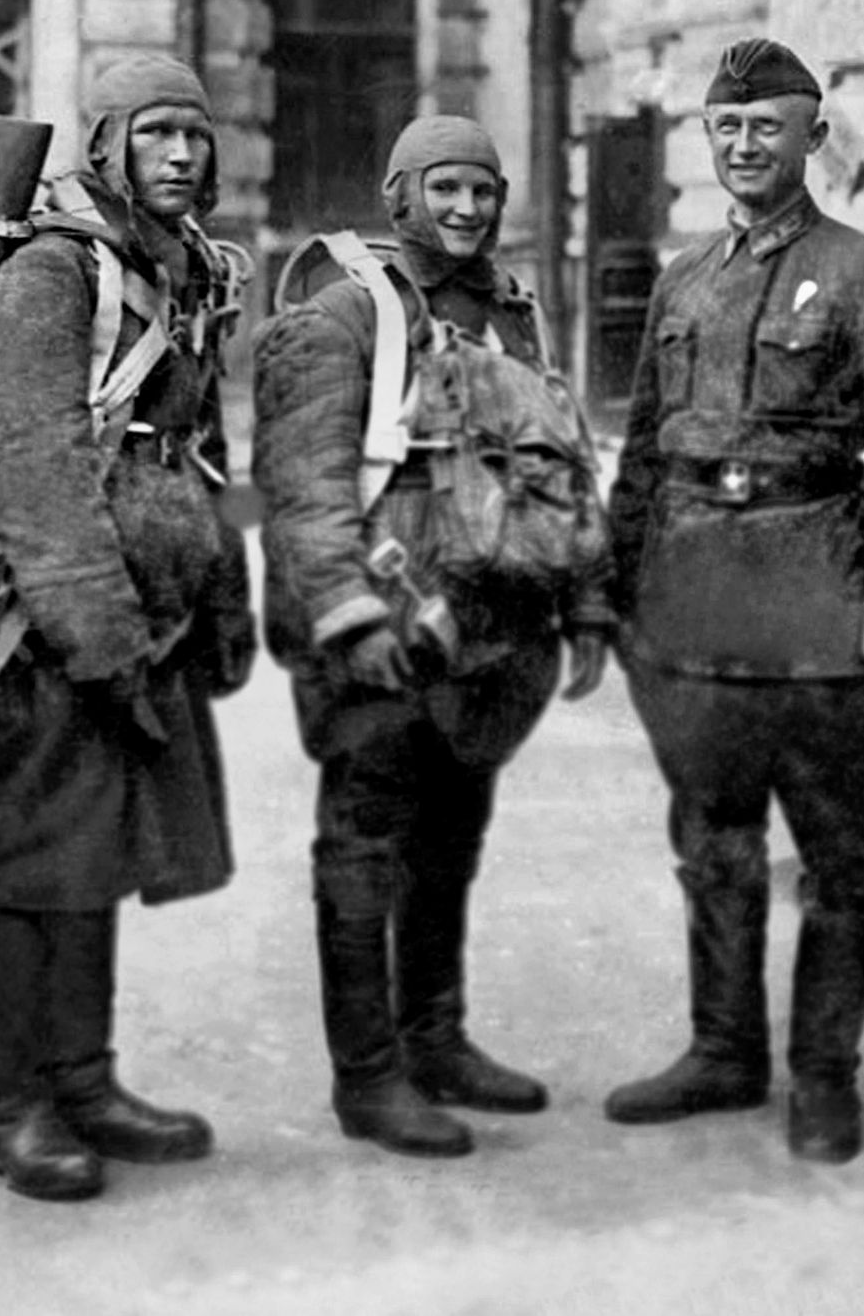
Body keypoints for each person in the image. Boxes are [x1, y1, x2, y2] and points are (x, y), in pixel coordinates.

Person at [603, 38, 864, 1164]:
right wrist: (614, 599)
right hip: (696, 602)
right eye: (728, 127)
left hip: (820, 595)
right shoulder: (683, 279)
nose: (747, 144)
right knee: (711, 839)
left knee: (834, 851)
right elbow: (643, 454)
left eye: (770, 124)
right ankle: (723, 1051)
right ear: (706, 140)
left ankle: (822, 1072)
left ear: (813, 137)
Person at [254, 115, 613, 1160]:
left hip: (491, 633)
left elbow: (555, 464)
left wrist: (583, 601)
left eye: (482, 190)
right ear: (397, 193)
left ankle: (436, 1038)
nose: (465, 209)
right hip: (382, 626)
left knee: (451, 839)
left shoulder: (510, 313)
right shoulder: (341, 314)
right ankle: (367, 1076)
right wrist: (344, 613)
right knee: (363, 845)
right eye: (443, 189)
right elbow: (301, 483)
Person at [0, 54, 251, 1202]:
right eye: (158, 133)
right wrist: (97, 636)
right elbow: (28, 466)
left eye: (196, 135)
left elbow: (208, 461)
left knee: (100, 852)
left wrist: (227, 592)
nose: (182, 154)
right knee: (31, 860)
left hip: (149, 611)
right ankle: (15, 1106)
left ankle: (83, 1078)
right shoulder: (52, 271)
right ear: (109, 143)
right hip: (45, 624)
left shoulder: (186, 272)